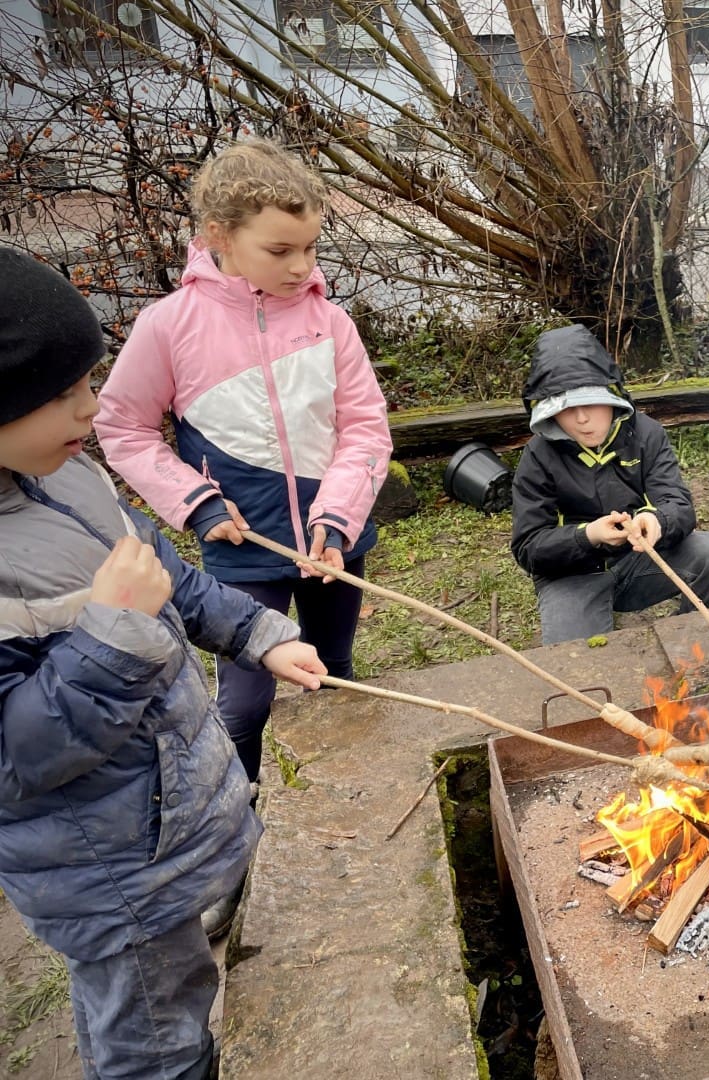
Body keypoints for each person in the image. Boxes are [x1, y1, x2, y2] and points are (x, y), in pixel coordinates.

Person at [0, 247, 326, 1079]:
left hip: (156, 831)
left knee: (170, 993)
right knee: (155, 1034)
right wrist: (113, 633)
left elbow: (166, 576)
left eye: (90, 380)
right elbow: (13, 757)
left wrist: (260, 634)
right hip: (105, 871)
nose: (93, 405)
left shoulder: (65, 475)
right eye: (64, 392)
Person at [94, 140, 391, 792]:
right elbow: (123, 427)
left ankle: (342, 799)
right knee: (245, 702)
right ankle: (237, 812)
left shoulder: (331, 323)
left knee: (332, 671)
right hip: (241, 549)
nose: (301, 266)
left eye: (310, 248)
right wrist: (196, 503)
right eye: (280, 250)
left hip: (334, 543)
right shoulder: (168, 327)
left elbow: (366, 429)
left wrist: (337, 518)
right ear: (219, 236)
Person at [510, 324, 709, 645]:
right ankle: (587, 616)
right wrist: (589, 535)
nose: (582, 419)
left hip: (639, 562)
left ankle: (693, 635)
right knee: (576, 660)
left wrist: (657, 521)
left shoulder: (646, 434)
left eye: (590, 402)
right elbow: (529, 547)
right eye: (566, 408)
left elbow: (679, 504)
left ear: (611, 395)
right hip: (572, 576)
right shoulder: (538, 456)